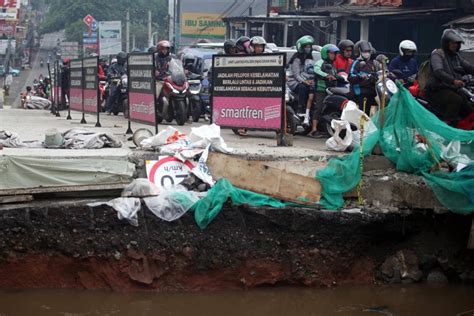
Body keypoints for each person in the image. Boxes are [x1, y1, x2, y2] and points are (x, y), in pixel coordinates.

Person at [426, 29, 474, 122]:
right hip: (437, 89)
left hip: (452, 88)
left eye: (457, 43)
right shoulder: (438, 54)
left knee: (469, 107)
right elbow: (438, 71)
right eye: (452, 43)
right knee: (456, 100)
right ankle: (448, 126)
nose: (455, 45)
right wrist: (453, 81)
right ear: (446, 43)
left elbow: (468, 67)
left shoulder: (456, 56)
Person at [308, 44, 339, 137]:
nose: (334, 55)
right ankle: (313, 130)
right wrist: (326, 75)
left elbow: (336, 75)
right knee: (319, 108)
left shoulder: (333, 65)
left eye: (335, 53)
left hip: (331, 90)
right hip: (320, 90)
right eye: (332, 53)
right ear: (325, 53)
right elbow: (316, 70)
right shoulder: (320, 62)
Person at [288, 35, 315, 125]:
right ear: (301, 47)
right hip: (294, 82)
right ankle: (300, 109)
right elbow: (296, 75)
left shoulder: (310, 59)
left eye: (309, 46)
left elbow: (311, 72)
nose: (308, 48)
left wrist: (311, 80)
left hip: (307, 82)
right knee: (303, 87)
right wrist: (304, 81)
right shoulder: (297, 59)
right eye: (306, 46)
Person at [349, 41, 377, 116]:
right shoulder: (356, 63)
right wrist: (360, 76)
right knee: (363, 114)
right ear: (360, 52)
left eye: (368, 51)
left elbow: (379, 73)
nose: (366, 53)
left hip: (372, 92)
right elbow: (351, 76)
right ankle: (362, 127)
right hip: (360, 92)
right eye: (364, 51)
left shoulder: (373, 63)